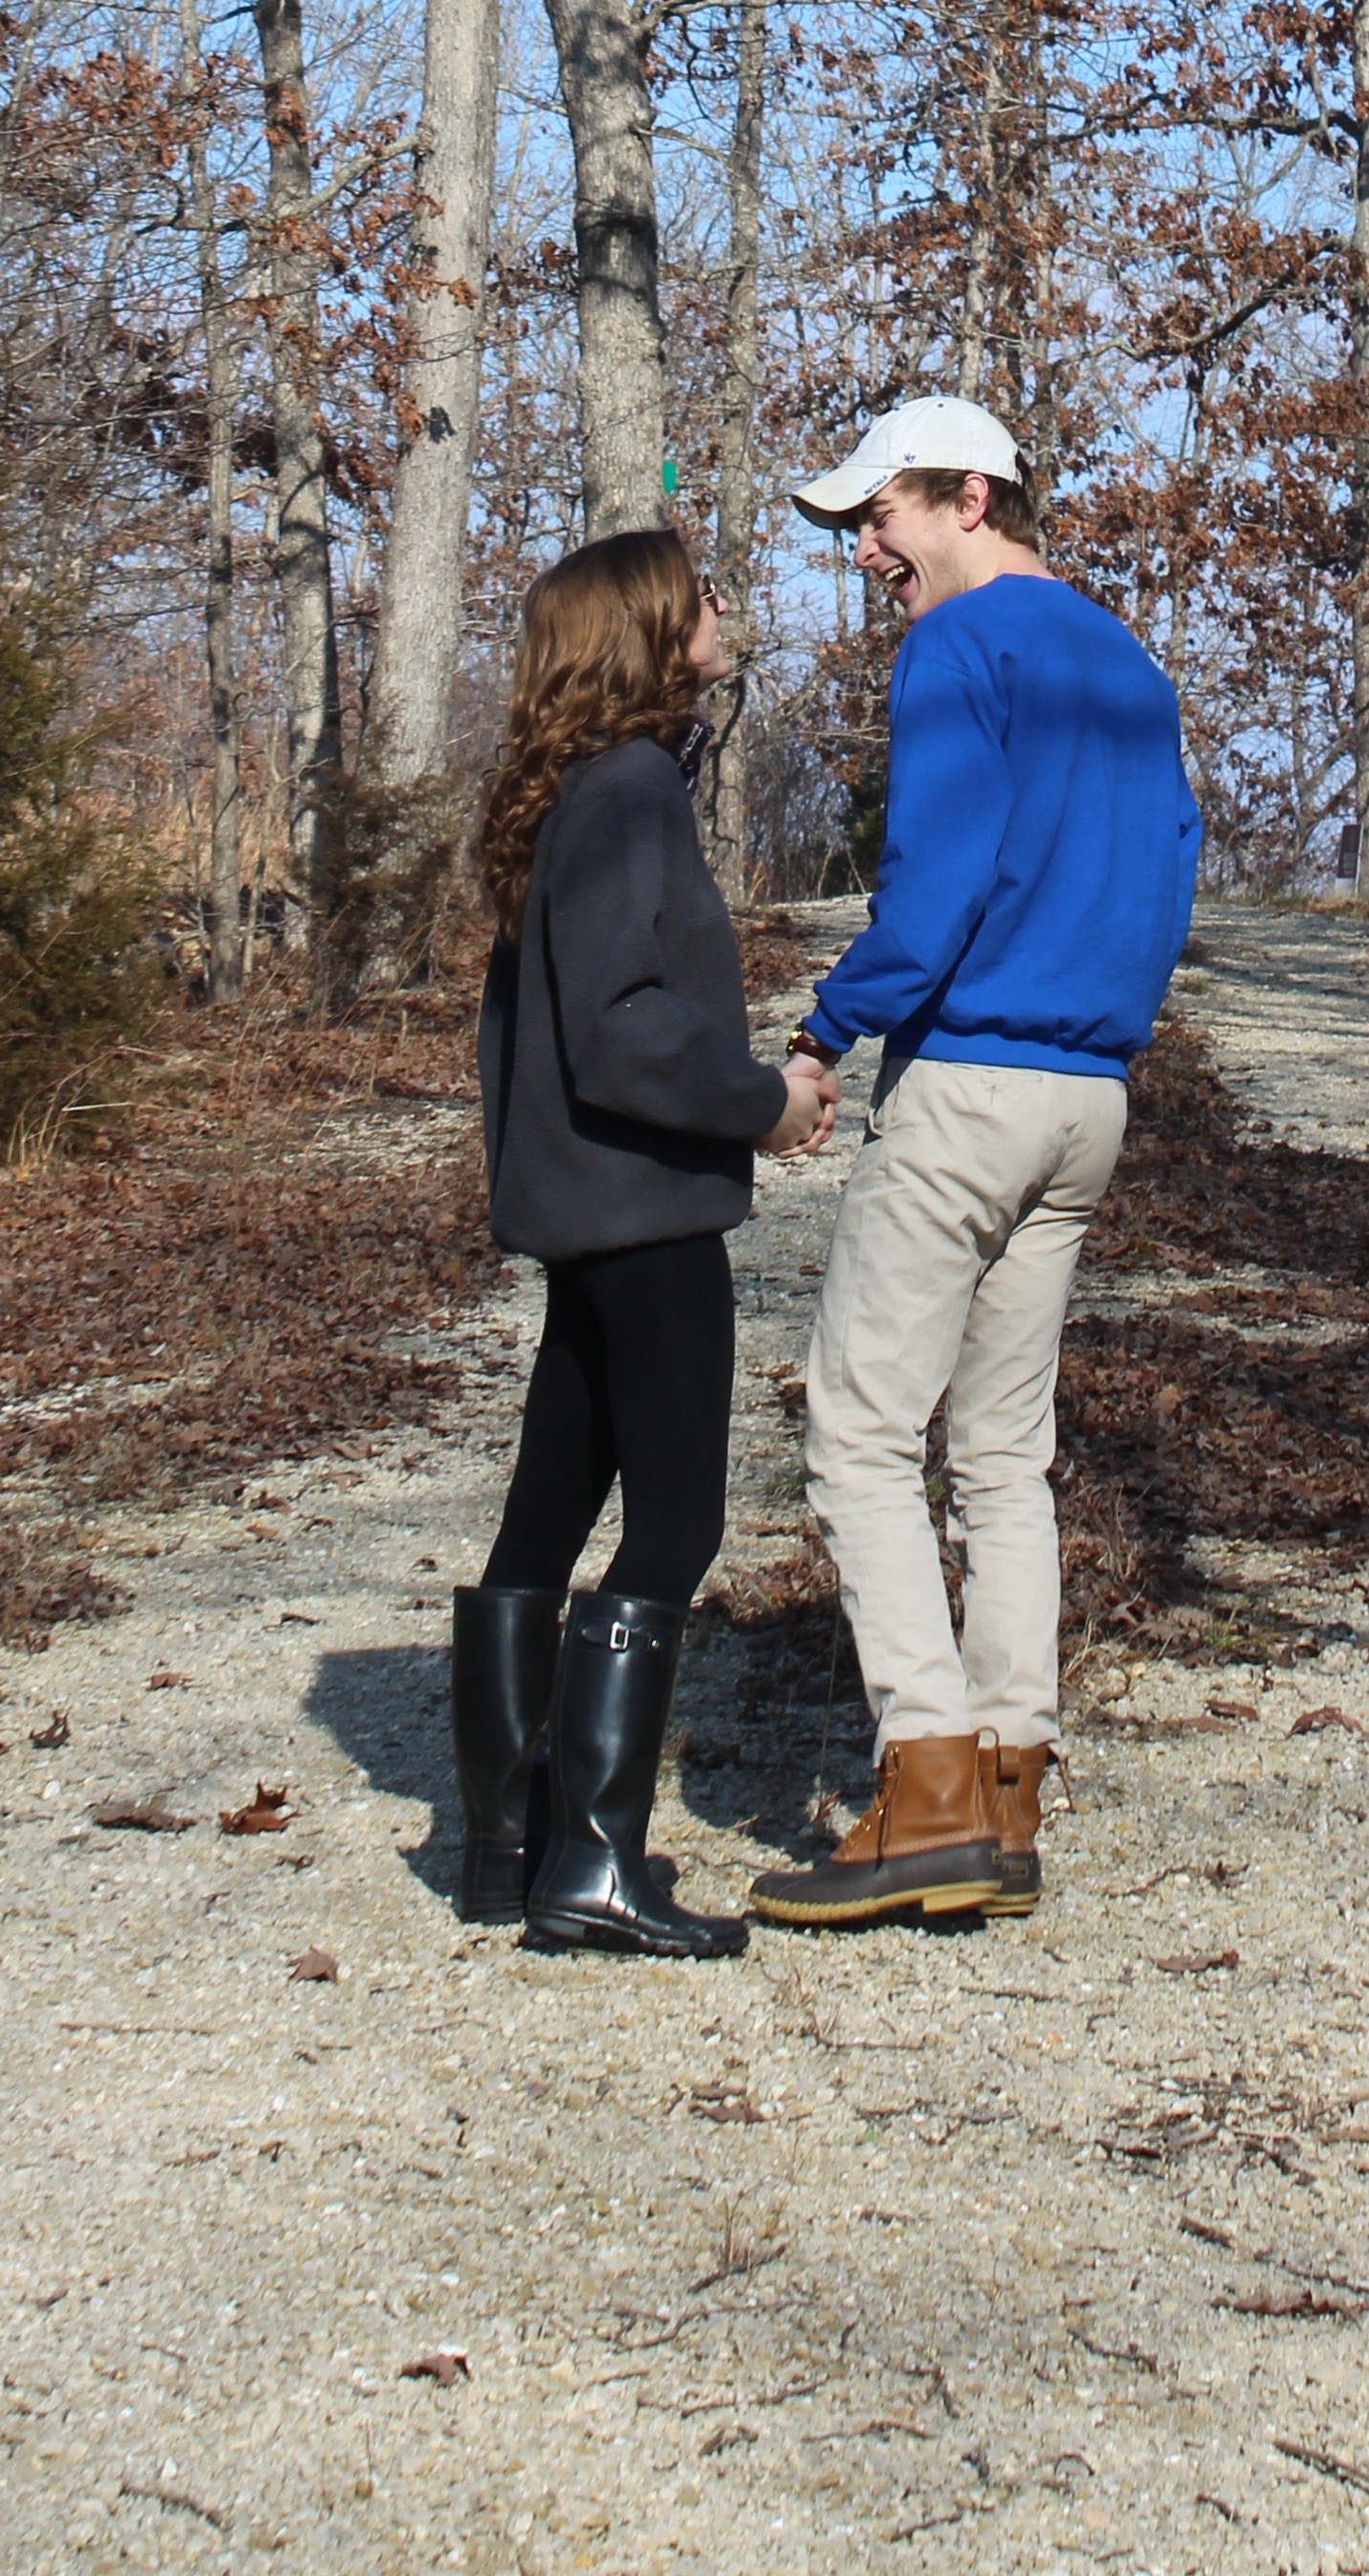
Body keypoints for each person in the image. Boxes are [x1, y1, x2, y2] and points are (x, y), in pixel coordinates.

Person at [747, 396, 1200, 1932]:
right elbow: (1168, 870)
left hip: (972, 1090)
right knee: (1006, 1458)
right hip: (1089, 1098)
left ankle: (927, 1788)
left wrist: (820, 1041)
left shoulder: (960, 647)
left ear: (971, 496)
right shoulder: (1127, 657)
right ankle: (1006, 1794)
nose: (864, 549)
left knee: (863, 1438)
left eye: (879, 513)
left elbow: (931, 890)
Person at [455, 525, 838, 1959]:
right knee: (674, 1523)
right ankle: (594, 1867)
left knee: (547, 1516)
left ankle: (506, 1846)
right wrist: (763, 1103)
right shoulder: (626, 797)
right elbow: (621, 1029)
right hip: (643, 1212)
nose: (726, 611)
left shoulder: (581, 792)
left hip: (588, 1213)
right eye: (702, 599)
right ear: (646, 633)